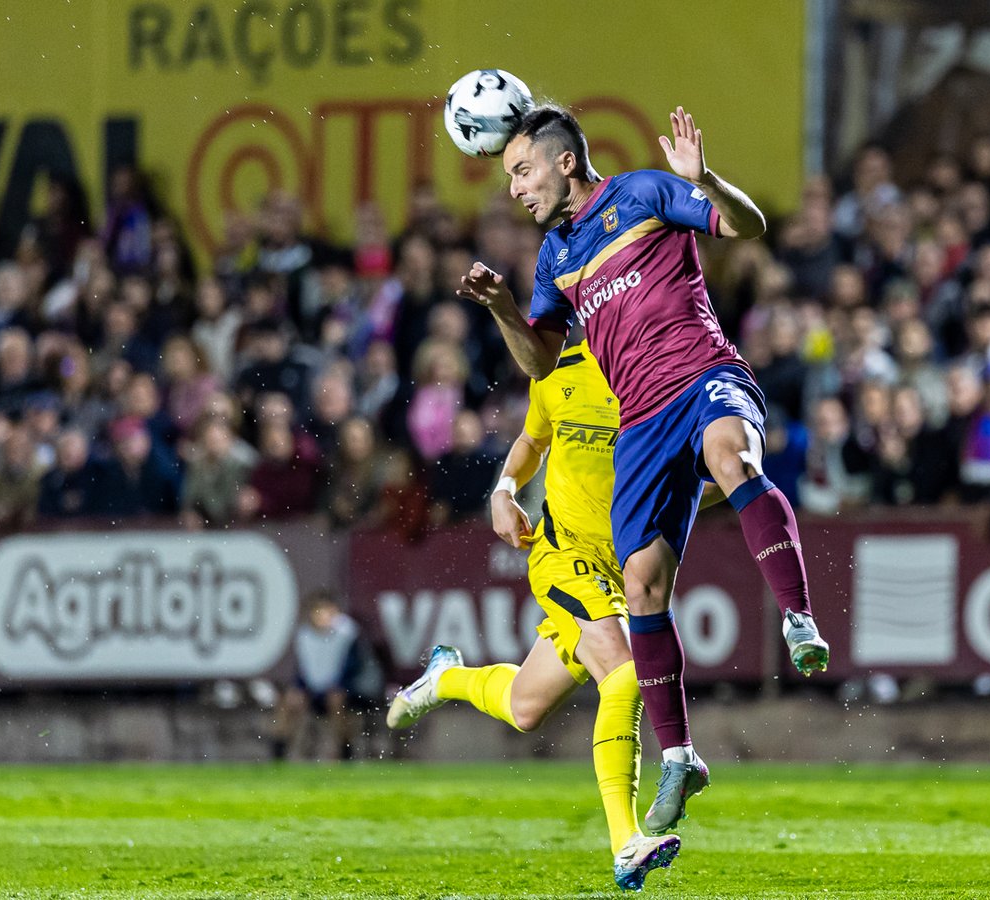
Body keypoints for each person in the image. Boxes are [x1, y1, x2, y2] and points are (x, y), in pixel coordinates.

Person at [455, 104, 829, 832]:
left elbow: (748, 228)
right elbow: (538, 362)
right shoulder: (555, 258)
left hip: (704, 375)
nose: (515, 190)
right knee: (642, 584)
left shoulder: (646, 193)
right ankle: (681, 757)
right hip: (642, 423)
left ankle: (798, 617)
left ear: (566, 162)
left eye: (522, 171)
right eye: (508, 177)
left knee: (733, 454)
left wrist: (706, 180)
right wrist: (504, 308)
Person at [386, 342, 697, 891]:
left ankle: (445, 678)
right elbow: (532, 438)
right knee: (627, 671)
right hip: (563, 555)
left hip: (621, 568)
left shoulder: (664, 374)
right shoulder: (559, 369)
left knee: (524, 706)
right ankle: (627, 843)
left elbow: (699, 481)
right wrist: (504, 489)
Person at [273, 589, 383, 762]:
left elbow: (354, 669)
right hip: (318, 689)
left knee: (336, 698)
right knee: (291, 699)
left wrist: (335, 685)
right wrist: (300, 688)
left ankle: (344, 750)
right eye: (318, 611)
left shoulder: (348, 633)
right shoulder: (305, 636)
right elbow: (304, 670)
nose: (322, 616)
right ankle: (278, 750)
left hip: (352, 689)